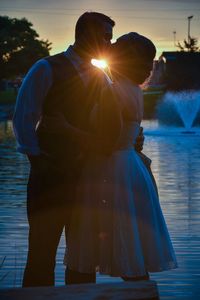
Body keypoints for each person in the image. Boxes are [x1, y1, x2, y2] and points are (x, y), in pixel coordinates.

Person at [13, 11, 123, 287]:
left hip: (88, 178)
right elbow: (24, 118)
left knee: (83, 257)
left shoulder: (101, 76)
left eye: (110, 39)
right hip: (49, 177)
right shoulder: (45, 68)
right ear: (85, 34)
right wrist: (39, 162)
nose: (109, 45)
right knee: (41, 252)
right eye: (105, 37)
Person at [65, 32, 178, 281]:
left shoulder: (112, 91)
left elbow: (106, 143)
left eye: (115, 47)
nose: (110, 47)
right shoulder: (135, 91)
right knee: (131, 247)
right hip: (129, 170)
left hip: (108, 172)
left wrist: (63, 128)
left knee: (89, 252)